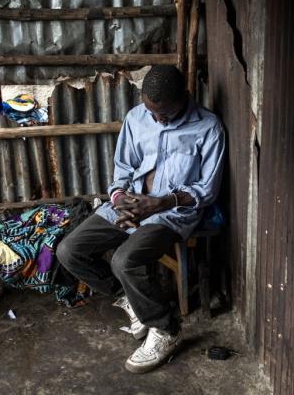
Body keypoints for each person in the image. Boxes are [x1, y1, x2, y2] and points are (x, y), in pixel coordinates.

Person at [56, 65, 225, 373]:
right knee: (69, 251)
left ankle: (166, 329)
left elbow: (207, 190)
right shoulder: (136, 118)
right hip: (130, 205)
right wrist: (120, 199)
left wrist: (162, 202)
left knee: (125, 261)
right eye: (152, 112)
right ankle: (129, 299)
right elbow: (122, 169)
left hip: (171, 214)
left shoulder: (208, 127)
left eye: (166, 114)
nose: (158, 119)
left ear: (185, 97)